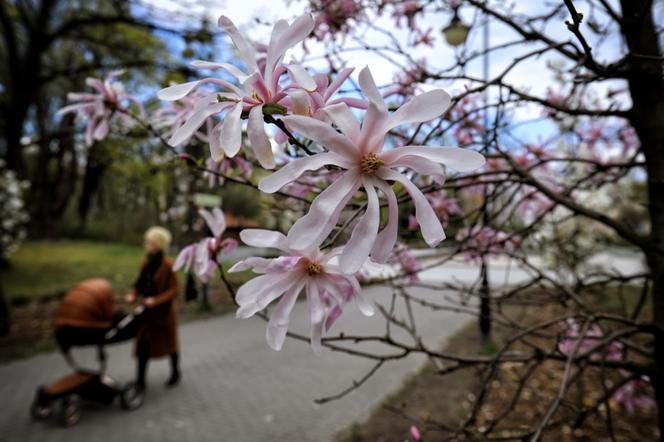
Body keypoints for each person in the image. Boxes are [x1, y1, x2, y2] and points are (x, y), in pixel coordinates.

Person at [126, 226, 180, 392]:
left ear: (159, 244)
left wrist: (155, 301)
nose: (146, 244)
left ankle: (175, 372)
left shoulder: (168, 265)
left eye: (149, 242)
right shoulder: (146, 262)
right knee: (143, 344)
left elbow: (174, 289)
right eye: (146, 241)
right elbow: (139, 282)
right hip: (147, 313)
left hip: (164, 314)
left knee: (170, 345)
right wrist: (133, 294)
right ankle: (140, 381)